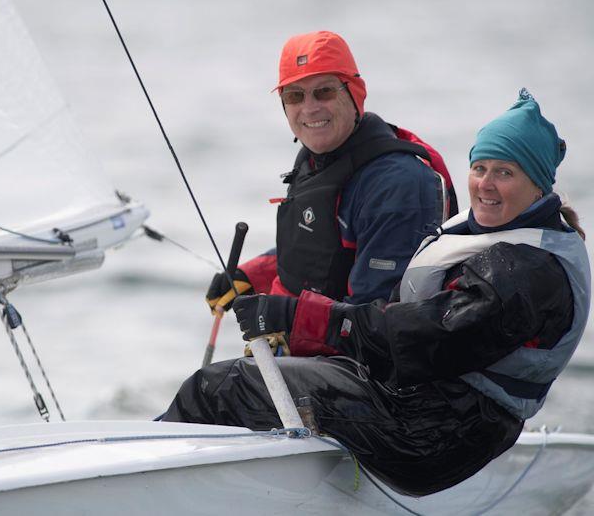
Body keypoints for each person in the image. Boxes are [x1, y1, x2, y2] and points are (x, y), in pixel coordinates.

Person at [165, 89, 590, 496]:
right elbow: (348, 249)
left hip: (437, 436)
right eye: (480, 168)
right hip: (426, 409)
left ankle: (152, 481)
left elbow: (427, 338)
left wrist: (300, 318)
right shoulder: (500, 232)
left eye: (505, 173)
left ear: (538, 185)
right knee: (248, 385)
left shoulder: (526, 271)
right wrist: (259, 276)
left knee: (218, 388)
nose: (486, 184)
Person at [206, 30, 457, 315]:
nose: (309, 108)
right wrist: (253, 276)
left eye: (323, 91)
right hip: (302, 344)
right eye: (294, 95)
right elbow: (320, 252)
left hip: (359, 355)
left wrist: (287, 322)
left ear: (355, 93)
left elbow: (378, 317)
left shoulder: (399, 184)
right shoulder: (319, 156)